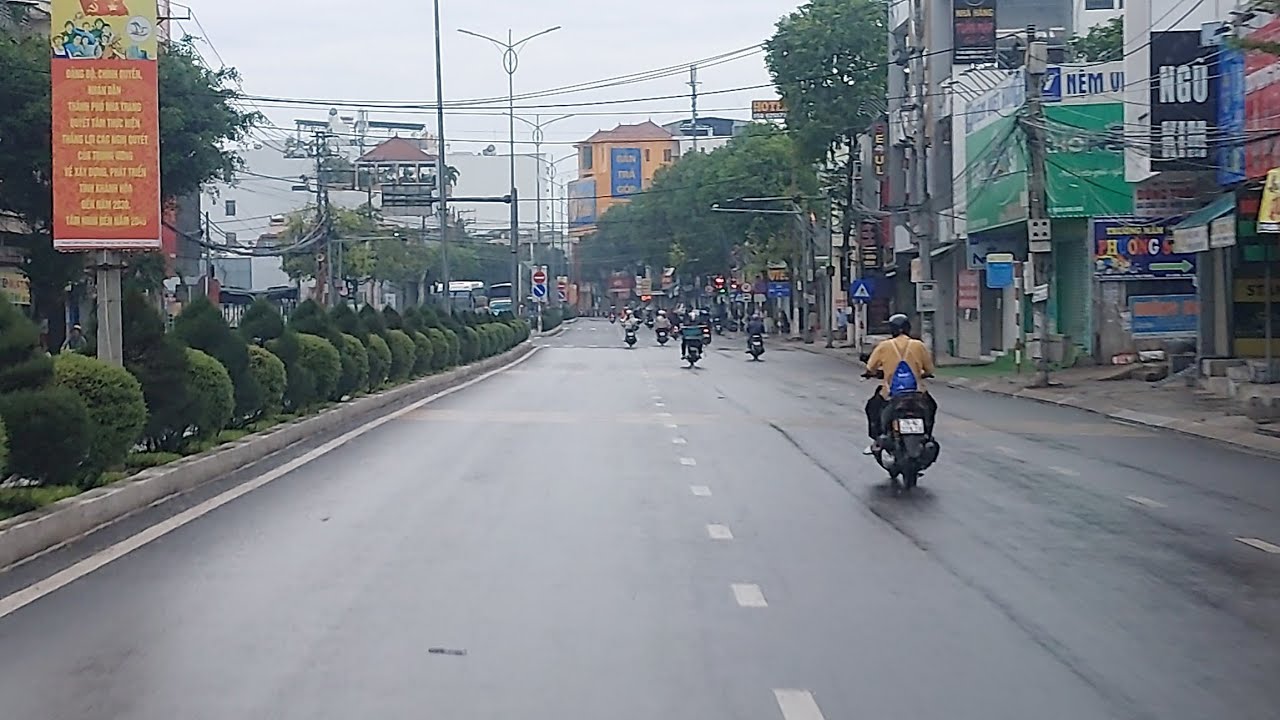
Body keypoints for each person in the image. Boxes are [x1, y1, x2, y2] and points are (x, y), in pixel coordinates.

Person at [862, 313, 937, 454]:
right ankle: (927, 435)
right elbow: (929, 369)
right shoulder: (918, 345)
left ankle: (877, 440)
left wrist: (871, 373)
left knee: (872, 408)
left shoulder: (884, 346)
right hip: (917, 394)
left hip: (890, 393)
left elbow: (870, 368)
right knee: (932, 407)